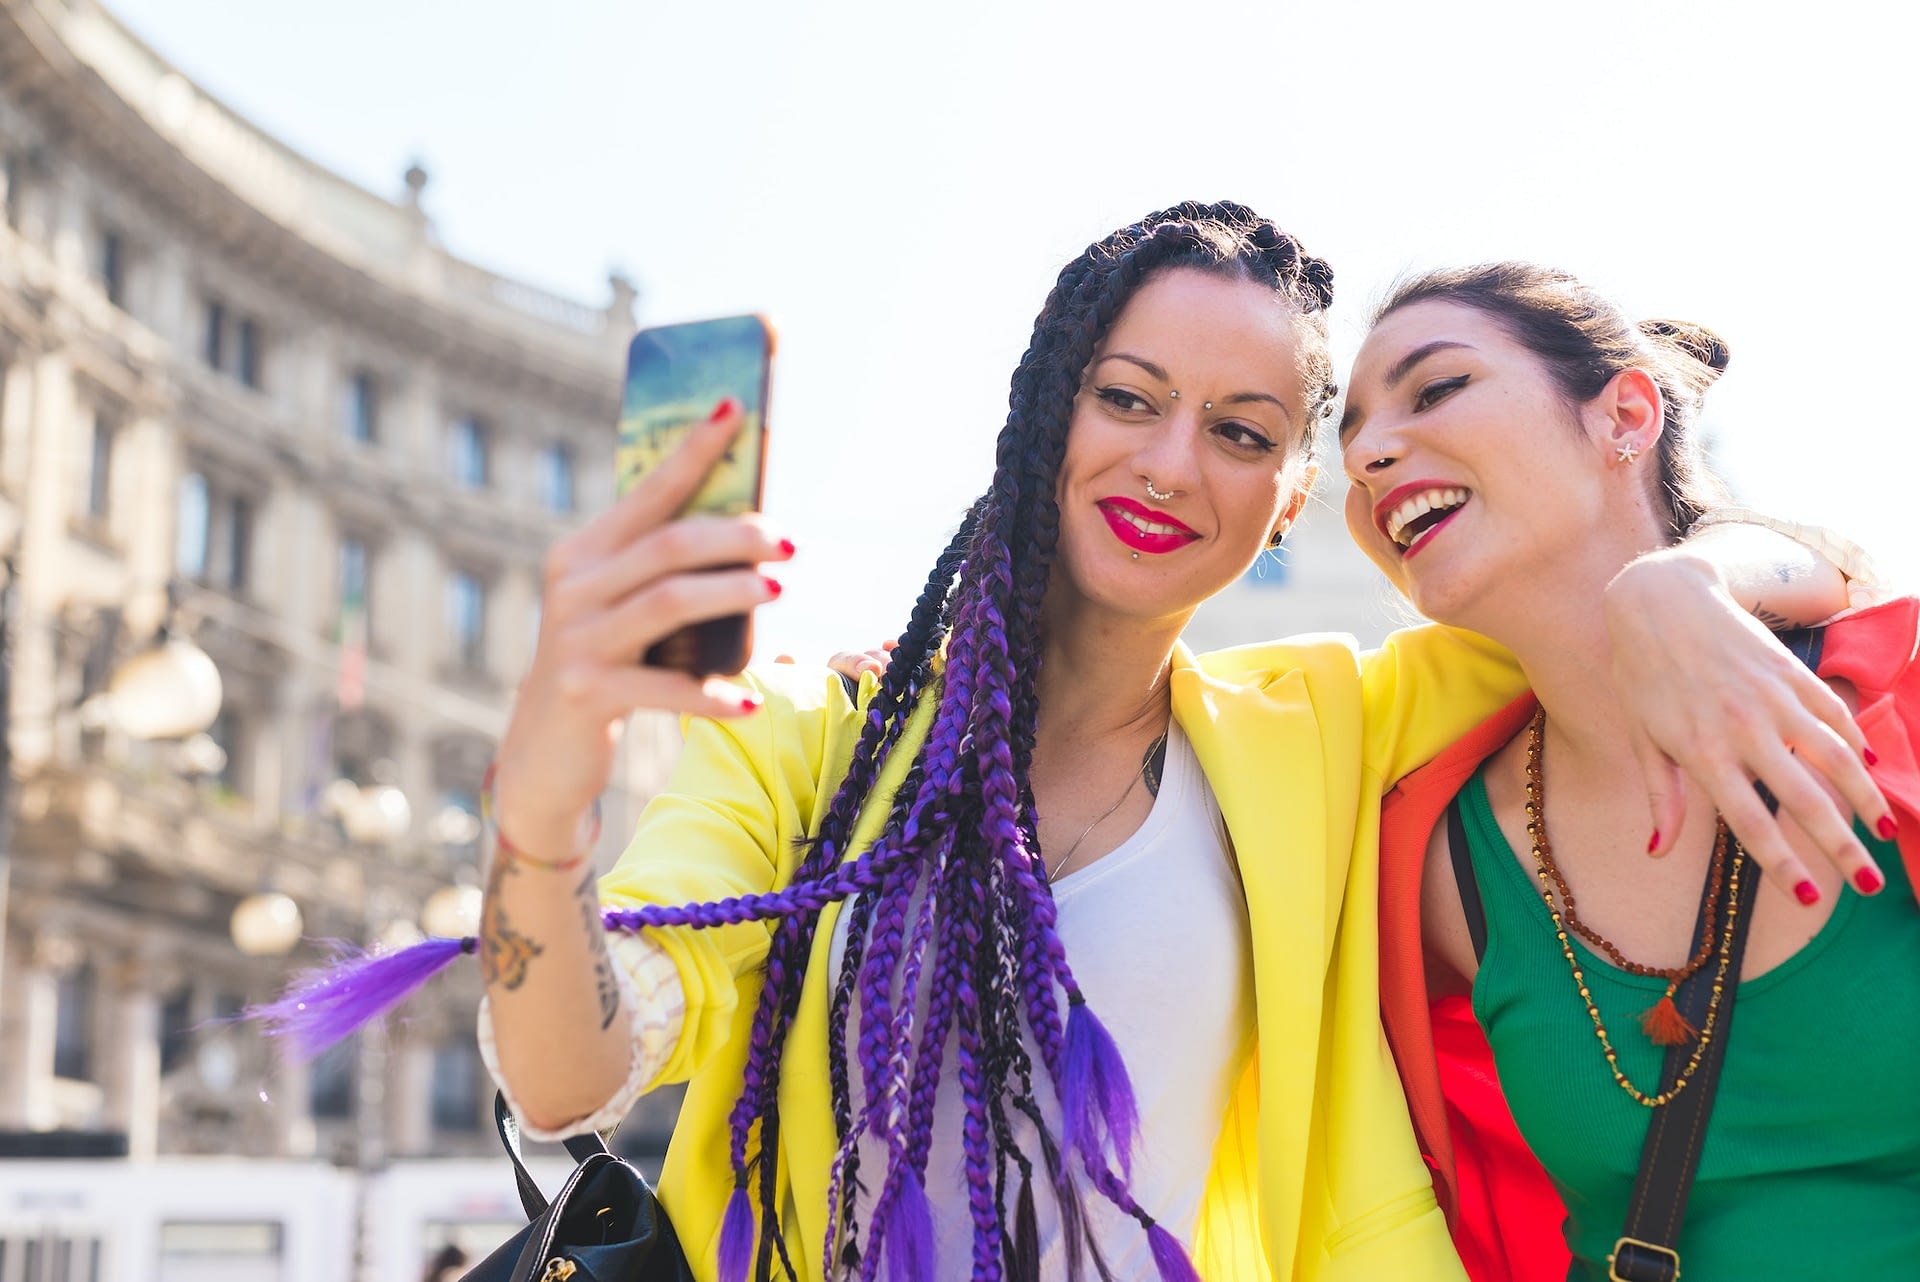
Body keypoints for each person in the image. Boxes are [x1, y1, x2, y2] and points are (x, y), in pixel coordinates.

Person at [256, 206, 1878, 1282]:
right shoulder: (818, 737)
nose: (1176, 460)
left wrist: (1689, 579)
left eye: (1244, 432)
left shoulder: (1341, 718)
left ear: (1288, 503)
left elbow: (1747, 586)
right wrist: (541, 809)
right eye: (1129, 397)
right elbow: (580, 1067)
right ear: (1047, 406)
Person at [1340, 264, 1919, 1280]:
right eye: (1347, 433)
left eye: (1435, 389)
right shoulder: (1431, 863)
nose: (1368, 452)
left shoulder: (1893, 700)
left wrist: (1683, 578)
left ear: (1627, 415)